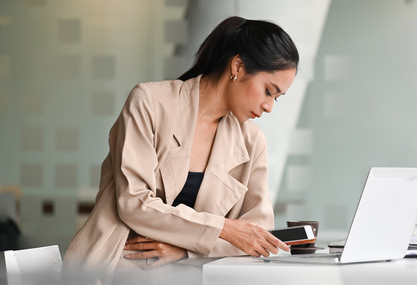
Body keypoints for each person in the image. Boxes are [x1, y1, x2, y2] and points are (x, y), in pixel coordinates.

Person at [63, 16, 298, 274]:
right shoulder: (150, 103)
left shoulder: (252, 141)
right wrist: (223, 228)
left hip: (191, 275)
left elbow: (258, 235)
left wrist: (186, 251)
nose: (269, 107)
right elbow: (134, 204)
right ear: (238, 66)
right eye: (268, 90)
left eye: (278, 98)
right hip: (116, 264)